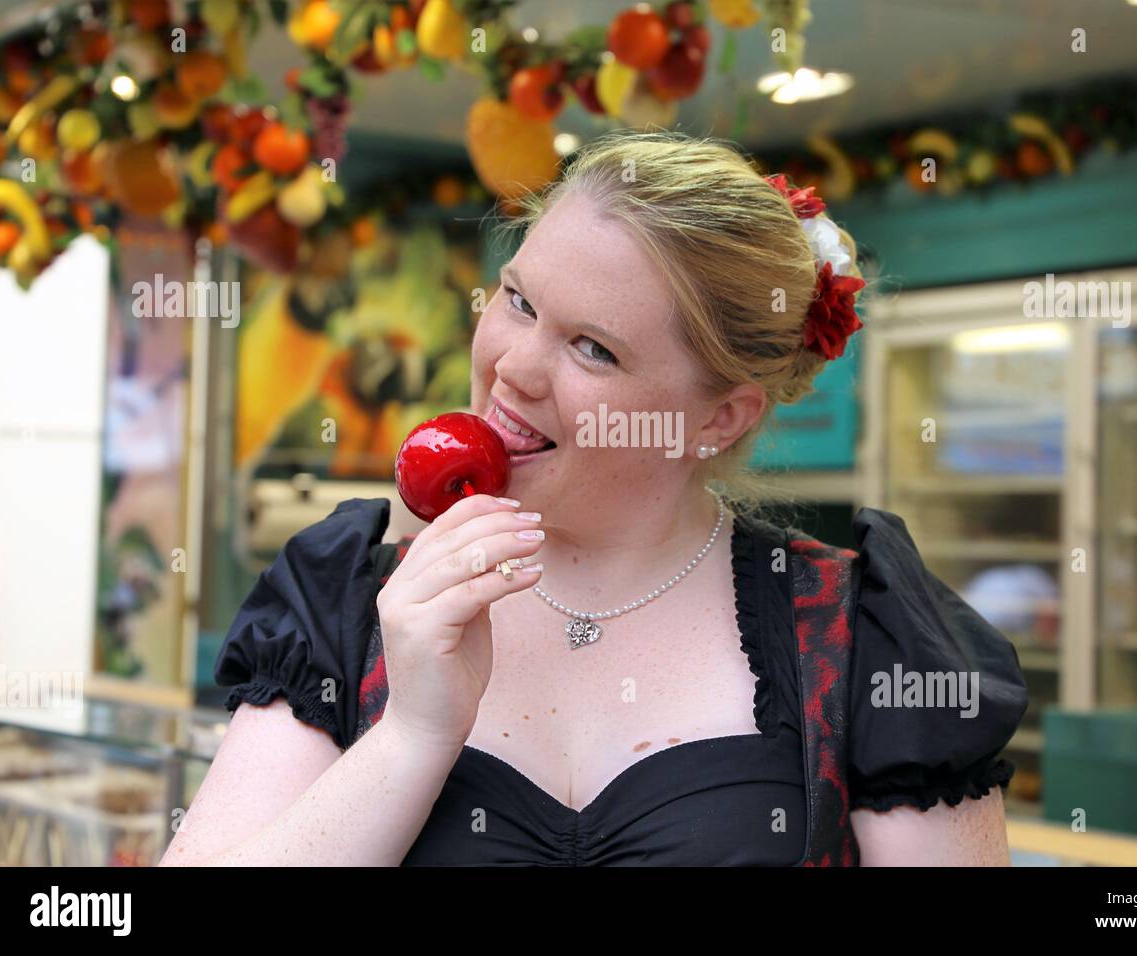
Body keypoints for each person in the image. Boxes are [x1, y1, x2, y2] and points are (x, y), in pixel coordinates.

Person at [160, 130, 1029, 867]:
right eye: (518, 300)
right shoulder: (348, 599)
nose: (511, 367)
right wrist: (411, 737)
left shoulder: (862, 635)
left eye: (593, 350)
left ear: (719, 418)